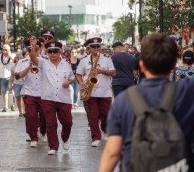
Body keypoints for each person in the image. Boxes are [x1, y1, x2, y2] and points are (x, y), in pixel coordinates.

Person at [99, 33, 194, 172]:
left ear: (142, 66)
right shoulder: (188, 92)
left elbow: (112, 153)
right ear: (174, 65)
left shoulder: (123, 101)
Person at [30, 37, 74, 155]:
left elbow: (72, 78)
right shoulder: (43, 63)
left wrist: (68, 82)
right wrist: (34, 45)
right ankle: (53, 146)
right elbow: (33, 58)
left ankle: (65, 137)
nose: (53, 54)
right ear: (47, 53)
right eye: (50, 51)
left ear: (60, 52)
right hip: (48, 98)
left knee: (67, 122)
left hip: (63, 98)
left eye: (55, 51)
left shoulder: (66, 64)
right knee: (51, 123)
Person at [76, 37, 116, 147]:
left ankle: (105, 129)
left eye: (98, 46)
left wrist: (102, 71)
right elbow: (78, 74)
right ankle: (96, 137)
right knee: (93, 116)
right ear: (90, 48)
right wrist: (81, 83)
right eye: (94, 47)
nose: (96, 49)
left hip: (105, 91)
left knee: (106, 114)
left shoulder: (107, 59)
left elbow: (113, 73)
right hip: (91, 91)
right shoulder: (84, 60)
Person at [15, 39, 47, 147]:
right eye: (30, 49)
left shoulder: (45, 60)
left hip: (43, 93)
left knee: (45, 116)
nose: (33, 51)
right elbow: (17, 76)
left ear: (38, 50)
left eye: (35, 49)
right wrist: (29, 67)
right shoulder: (22, 62)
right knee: (31, 116)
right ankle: (34, 137)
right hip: (29, 91)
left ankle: (42, 132)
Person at [0, 44, 13, 112]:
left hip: (11, 76)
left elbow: (17, 63)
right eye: (3, 49)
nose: (4, 51)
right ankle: (6, 106)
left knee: (11, 92)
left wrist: (10, 56)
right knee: (4, 92)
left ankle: (12, 104)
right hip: (2, 76)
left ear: (9, 50)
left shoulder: (13, 56)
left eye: (6, 50)